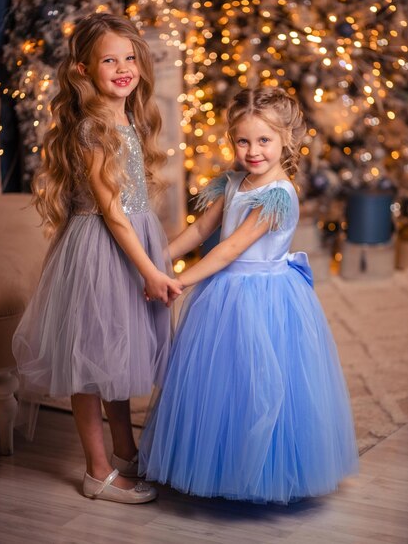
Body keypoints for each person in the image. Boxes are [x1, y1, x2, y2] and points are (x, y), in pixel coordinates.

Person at [139, 87, 359, 504]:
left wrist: (179, 282)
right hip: (225, 291)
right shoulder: (233, 182)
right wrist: (158, 262)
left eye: (264, 141)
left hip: (264, 295)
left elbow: (230, 248)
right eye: (243, 141)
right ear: (232, 141)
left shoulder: (278, 193)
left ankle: (259, 473)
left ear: (285, 141)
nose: (253, 151)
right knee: (221, 380)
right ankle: (220, 461)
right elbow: (203, 231)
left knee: (263, 381)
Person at [12, 12, 182, 504]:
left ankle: (126, 446)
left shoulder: (126, 114)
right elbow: (110, 210)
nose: (123, 67)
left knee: (117, 352)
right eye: (109, 59)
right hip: (100, 249)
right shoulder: (92, 128)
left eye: (130, 58)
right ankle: (97, 469)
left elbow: (130, 204)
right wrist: (150, 269)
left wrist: (153, 252)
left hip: (131, 239)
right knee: (88, 360)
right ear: (84, 70)